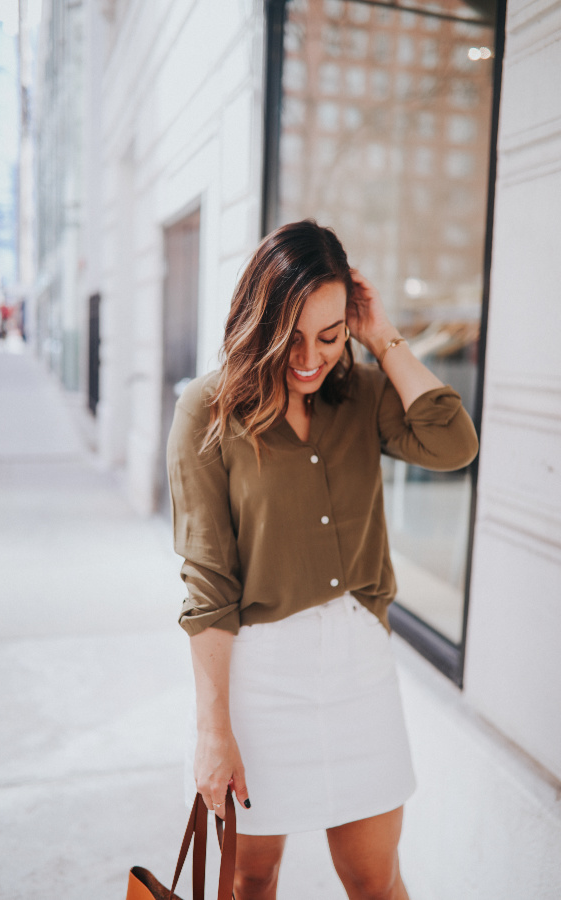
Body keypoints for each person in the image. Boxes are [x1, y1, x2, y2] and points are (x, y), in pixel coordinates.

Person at [167, 220, 478, 900]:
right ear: (260, 323)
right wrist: (212, 729)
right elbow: (208, 582)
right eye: (292, 338)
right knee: (250, 878)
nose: (310, 357)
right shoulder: (207, 412)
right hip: (258, 677)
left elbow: (453, 442)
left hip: (358, 669)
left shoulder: (363, 395)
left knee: (374, 879)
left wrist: (381, 337)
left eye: (330, 335)